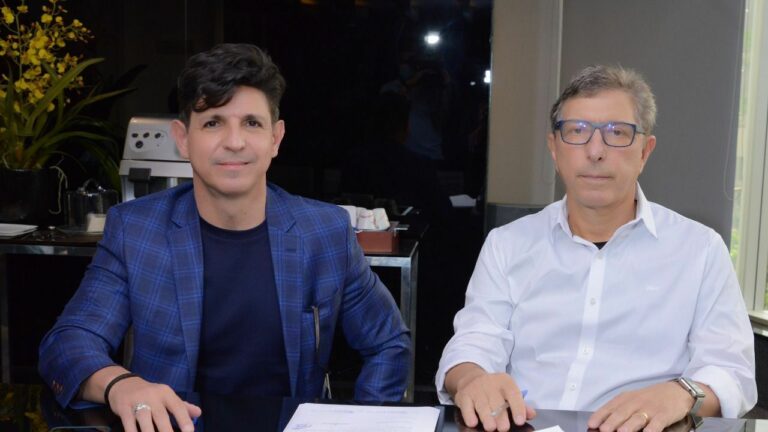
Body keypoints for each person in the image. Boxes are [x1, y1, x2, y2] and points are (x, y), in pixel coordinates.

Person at [38, 43, 410, 432]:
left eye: (252, 123)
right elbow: (68, 342)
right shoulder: (137, 230)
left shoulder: (324, 231)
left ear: (276, 138)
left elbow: (387, 343)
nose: (234, 141)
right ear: (183, 138)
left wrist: (364, 421)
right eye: (213, 122)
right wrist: (120, 384)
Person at [435, 65, 756, 432]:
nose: (595, 151)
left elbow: (732, 372)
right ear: (554, 149)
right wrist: (473, 379)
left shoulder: (699, 250)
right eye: (577, 131)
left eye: (617, 133)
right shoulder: (507, 244)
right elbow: (474, 342)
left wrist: (682, 393)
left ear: (645, 152)